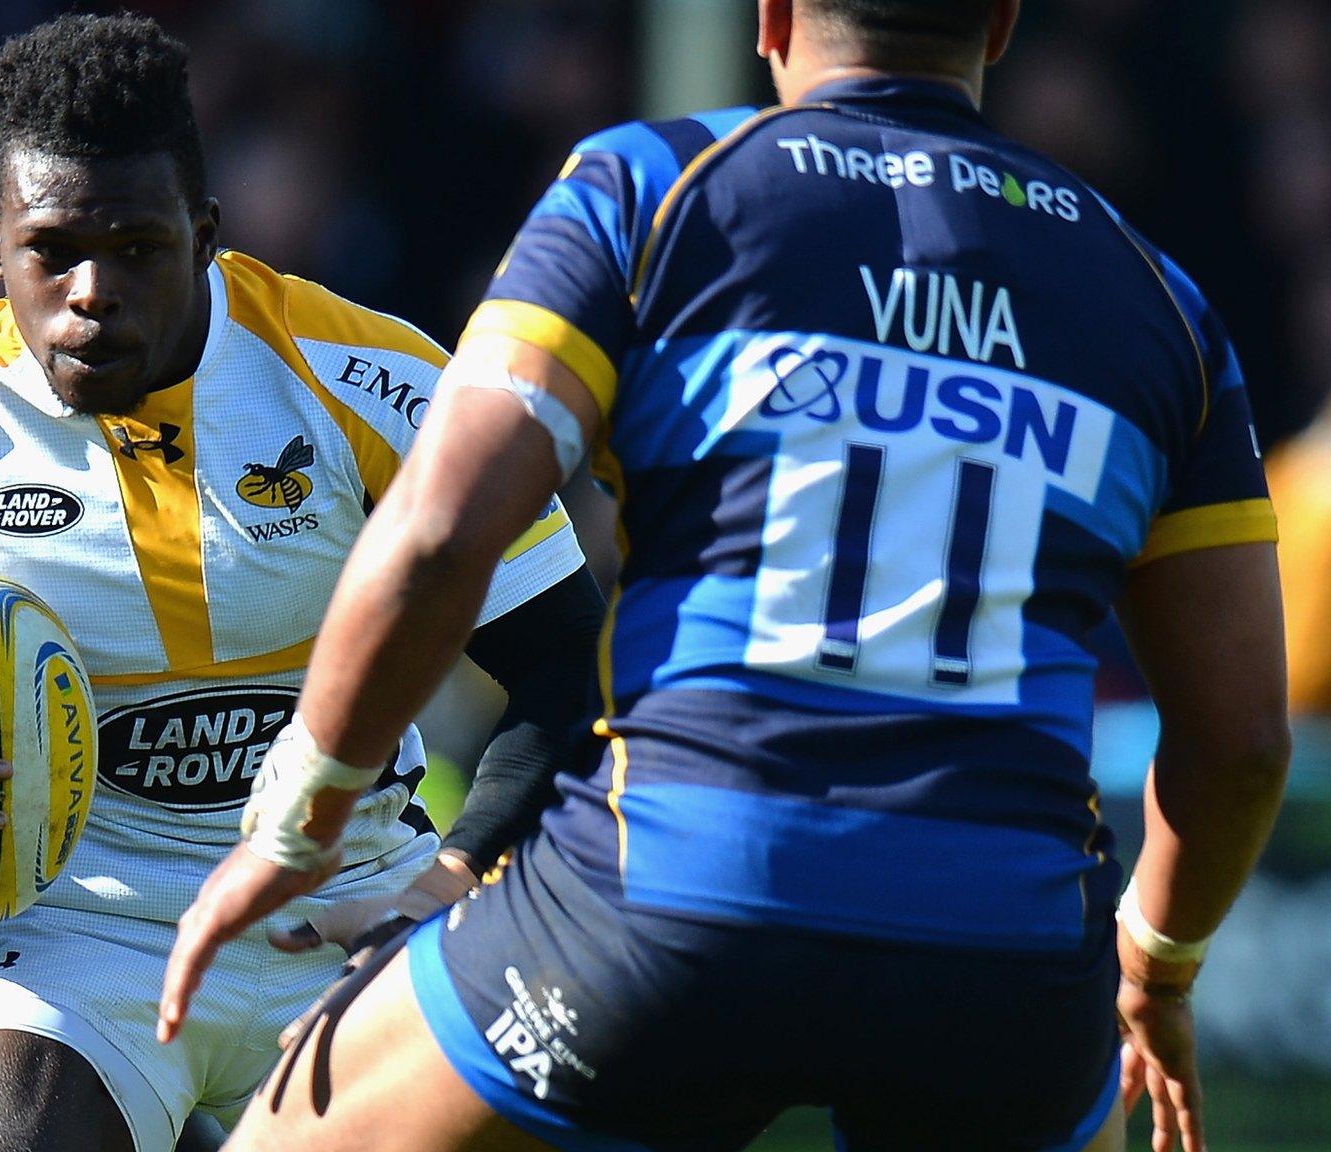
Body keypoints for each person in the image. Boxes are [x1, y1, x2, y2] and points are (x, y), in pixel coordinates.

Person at [162, 3, 1291, 1151]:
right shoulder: (1155, 294)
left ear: (769, 17)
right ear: (999, 26)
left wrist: (293, 833)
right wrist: (1154, 966)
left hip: (667, 908)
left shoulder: (648, 188)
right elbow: (1242, 739)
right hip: (1006, 961)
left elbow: (436, 538)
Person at [0, 14, 602, 1152]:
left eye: (139, 248)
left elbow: (568, 670)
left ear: (204, 235)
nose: (92, 291)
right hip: (78, 941)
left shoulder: (375, 381)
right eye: (53, 250)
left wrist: (453, 876)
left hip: (354, 905)